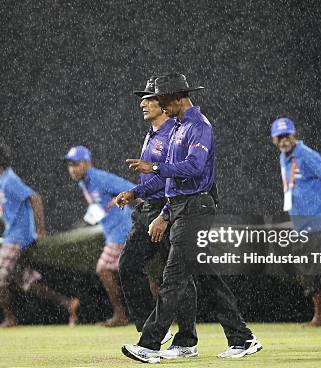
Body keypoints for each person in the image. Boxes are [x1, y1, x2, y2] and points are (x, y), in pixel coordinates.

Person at [121, 73, 261, 363]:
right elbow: (175, 181)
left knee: (172, 279)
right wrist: (162, 208)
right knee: (207, 279)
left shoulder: (198, 126)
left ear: (176, 98)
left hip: (196, 209)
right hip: (183, 207)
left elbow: (195, 168)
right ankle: (240, 337)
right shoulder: (180, 127)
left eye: (161, 99)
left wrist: (157, 169)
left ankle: (149, 344)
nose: (158, 103)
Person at [115, 76, 197, 358]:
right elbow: (153, 177)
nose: (143, 103)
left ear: (163, 103)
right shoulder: (152, 133)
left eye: (150, 98)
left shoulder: (174, 134)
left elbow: (171, 178)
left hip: (167, 210)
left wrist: (157, 208)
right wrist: (135, 193)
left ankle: (184, 339)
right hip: (147, 210)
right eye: (144, 98)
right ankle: (152, 330)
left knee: (177, 277)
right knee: (131, 267)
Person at [270, 116, 321, 326]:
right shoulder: (284, 157)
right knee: (315, 268)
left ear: (294, 134)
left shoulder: (305, 155)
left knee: (311, 267)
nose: (284, 140)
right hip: (302, 223)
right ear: (274, 140)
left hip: (318, 221)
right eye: (279, 137)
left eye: (286, 135)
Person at [0, 143, 80, 327]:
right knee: (25, 279)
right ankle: (68, 303)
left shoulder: (9, 180)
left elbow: (34, 198)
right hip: (13, 235)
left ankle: (10, 319)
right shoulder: (4, 182)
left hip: (17, 238)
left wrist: (40, 229)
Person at [65, 145, 133, 327]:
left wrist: (148, 214)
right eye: (69, 164)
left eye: (75, 164)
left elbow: (132, 189)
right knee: (138, 273)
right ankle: (166, 314)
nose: (72, 168)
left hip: (122, 231)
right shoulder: (84, 182)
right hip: (113, 232)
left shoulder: (99, 178)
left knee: (104, 269)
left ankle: (121, 316)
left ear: (87, 163)